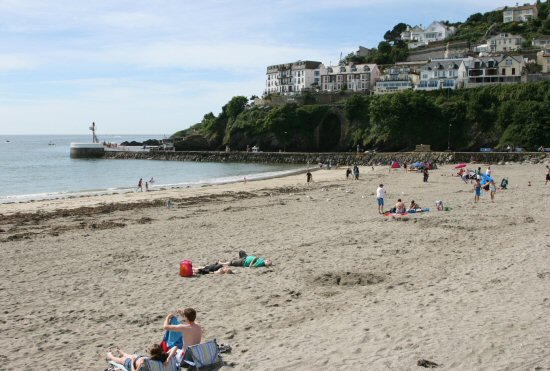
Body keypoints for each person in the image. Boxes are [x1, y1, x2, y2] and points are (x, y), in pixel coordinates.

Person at [106, 343, 178, 371]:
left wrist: (132, 362)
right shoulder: (165, 357)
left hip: (135, 362)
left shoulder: (146, 362)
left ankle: (110, 356)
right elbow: (175, 347)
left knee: (123, 359)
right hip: (138, 359)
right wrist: (168, 359)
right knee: (134, 356)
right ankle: (122, 352)